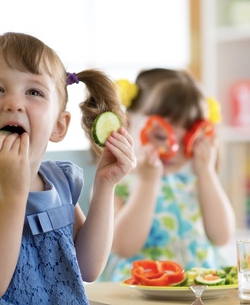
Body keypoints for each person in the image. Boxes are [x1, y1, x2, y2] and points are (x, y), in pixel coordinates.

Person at [0, 32, 136, 305]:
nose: (14, 103)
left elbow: (88, 268)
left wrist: (105, 185)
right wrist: (13, 194)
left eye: (34, 92)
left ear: (59, 126)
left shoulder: (60, 182)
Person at [99, 68, 235, 282]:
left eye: (187, 140)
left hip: (197, 288)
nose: (173, 149)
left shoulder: (195, 181)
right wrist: (147, 183)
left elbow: (222, 236)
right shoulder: (115, 182)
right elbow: (122, 246)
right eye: (161, 136)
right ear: (128, 122)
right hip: (142, 290)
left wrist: (207, 173)